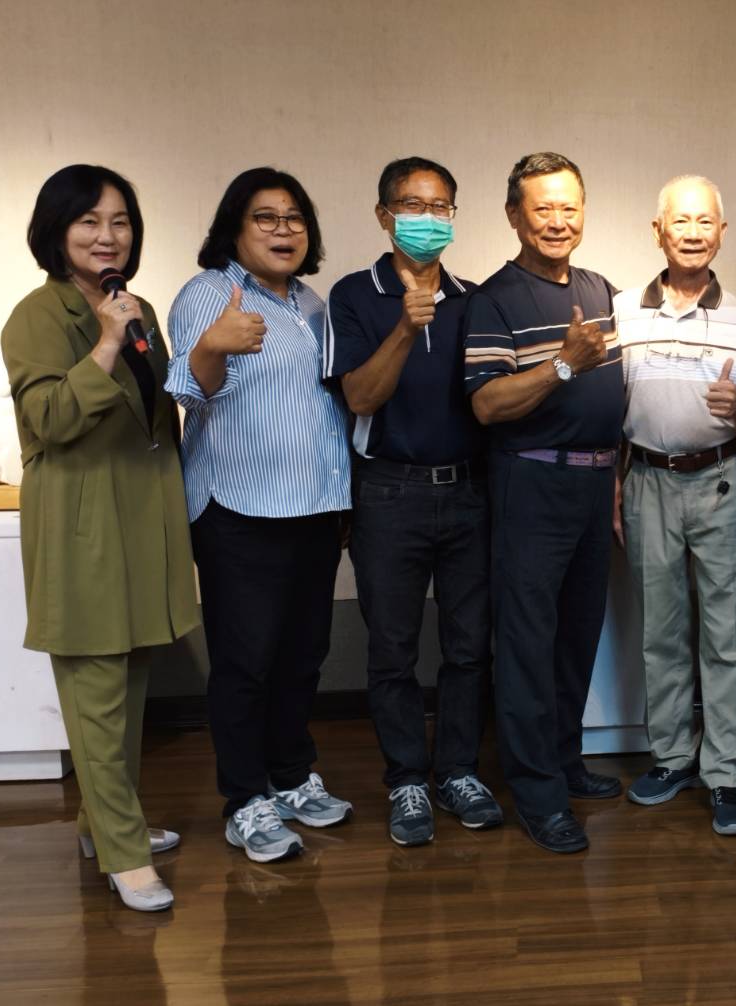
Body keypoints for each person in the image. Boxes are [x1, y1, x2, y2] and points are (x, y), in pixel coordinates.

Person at [1, 164, 200, 912]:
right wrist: (108, 344)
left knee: (130, 681)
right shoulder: (37, 315)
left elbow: (158, 413)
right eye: (88, 221)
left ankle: (104, 821)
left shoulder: (134, 305)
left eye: (119, 221)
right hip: (82, 520)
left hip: (141, 515)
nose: (106, 235)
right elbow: (48, 420)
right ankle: (123, 853)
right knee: (95, 690)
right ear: (57, 232)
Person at [166, 167, 353, 863]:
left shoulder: (310, 302)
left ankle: (291, 776)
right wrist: (212, 346)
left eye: (294, 217)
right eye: (265, 218)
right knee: (245, 662)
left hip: (314, 507)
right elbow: (189, 391)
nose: (284, 230)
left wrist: (343, 496)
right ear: (234, 229)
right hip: (239, 509)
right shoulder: (208, 293)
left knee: (303, 655)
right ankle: (244, 799)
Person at [324, 156, 502, 847]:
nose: (428, 219)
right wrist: (404, 326)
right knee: (392, 649)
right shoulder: (353, 295)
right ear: (384, 215)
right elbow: (361, 397)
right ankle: (405, 780)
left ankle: (457, 771)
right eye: (412, 206)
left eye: (440, 208)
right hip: (387, 494)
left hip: (468, 492)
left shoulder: (474, 299)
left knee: (468, 647)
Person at [463, 152, 622, 854]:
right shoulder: (494, 299)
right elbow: (487, 404)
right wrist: (562, 364)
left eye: (569, 207)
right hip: (530, 484)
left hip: (595, 484)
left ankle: (564, 760)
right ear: (513, 216)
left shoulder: (601, 289)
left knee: (577, 634)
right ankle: (537, 793)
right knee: (527, 643)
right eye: (543, 208)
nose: (558, 221)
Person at [615, 176, 736, 836]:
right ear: (658, 231)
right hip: (645, 480)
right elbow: (608, 413)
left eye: (705, 221)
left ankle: (727, 772)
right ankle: (673, 757)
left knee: (728, 634)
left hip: (721, 480)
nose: (692, 232)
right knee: (661, 627)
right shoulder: (622, 312)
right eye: (679, 221)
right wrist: (614, 487)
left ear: (721, 233)